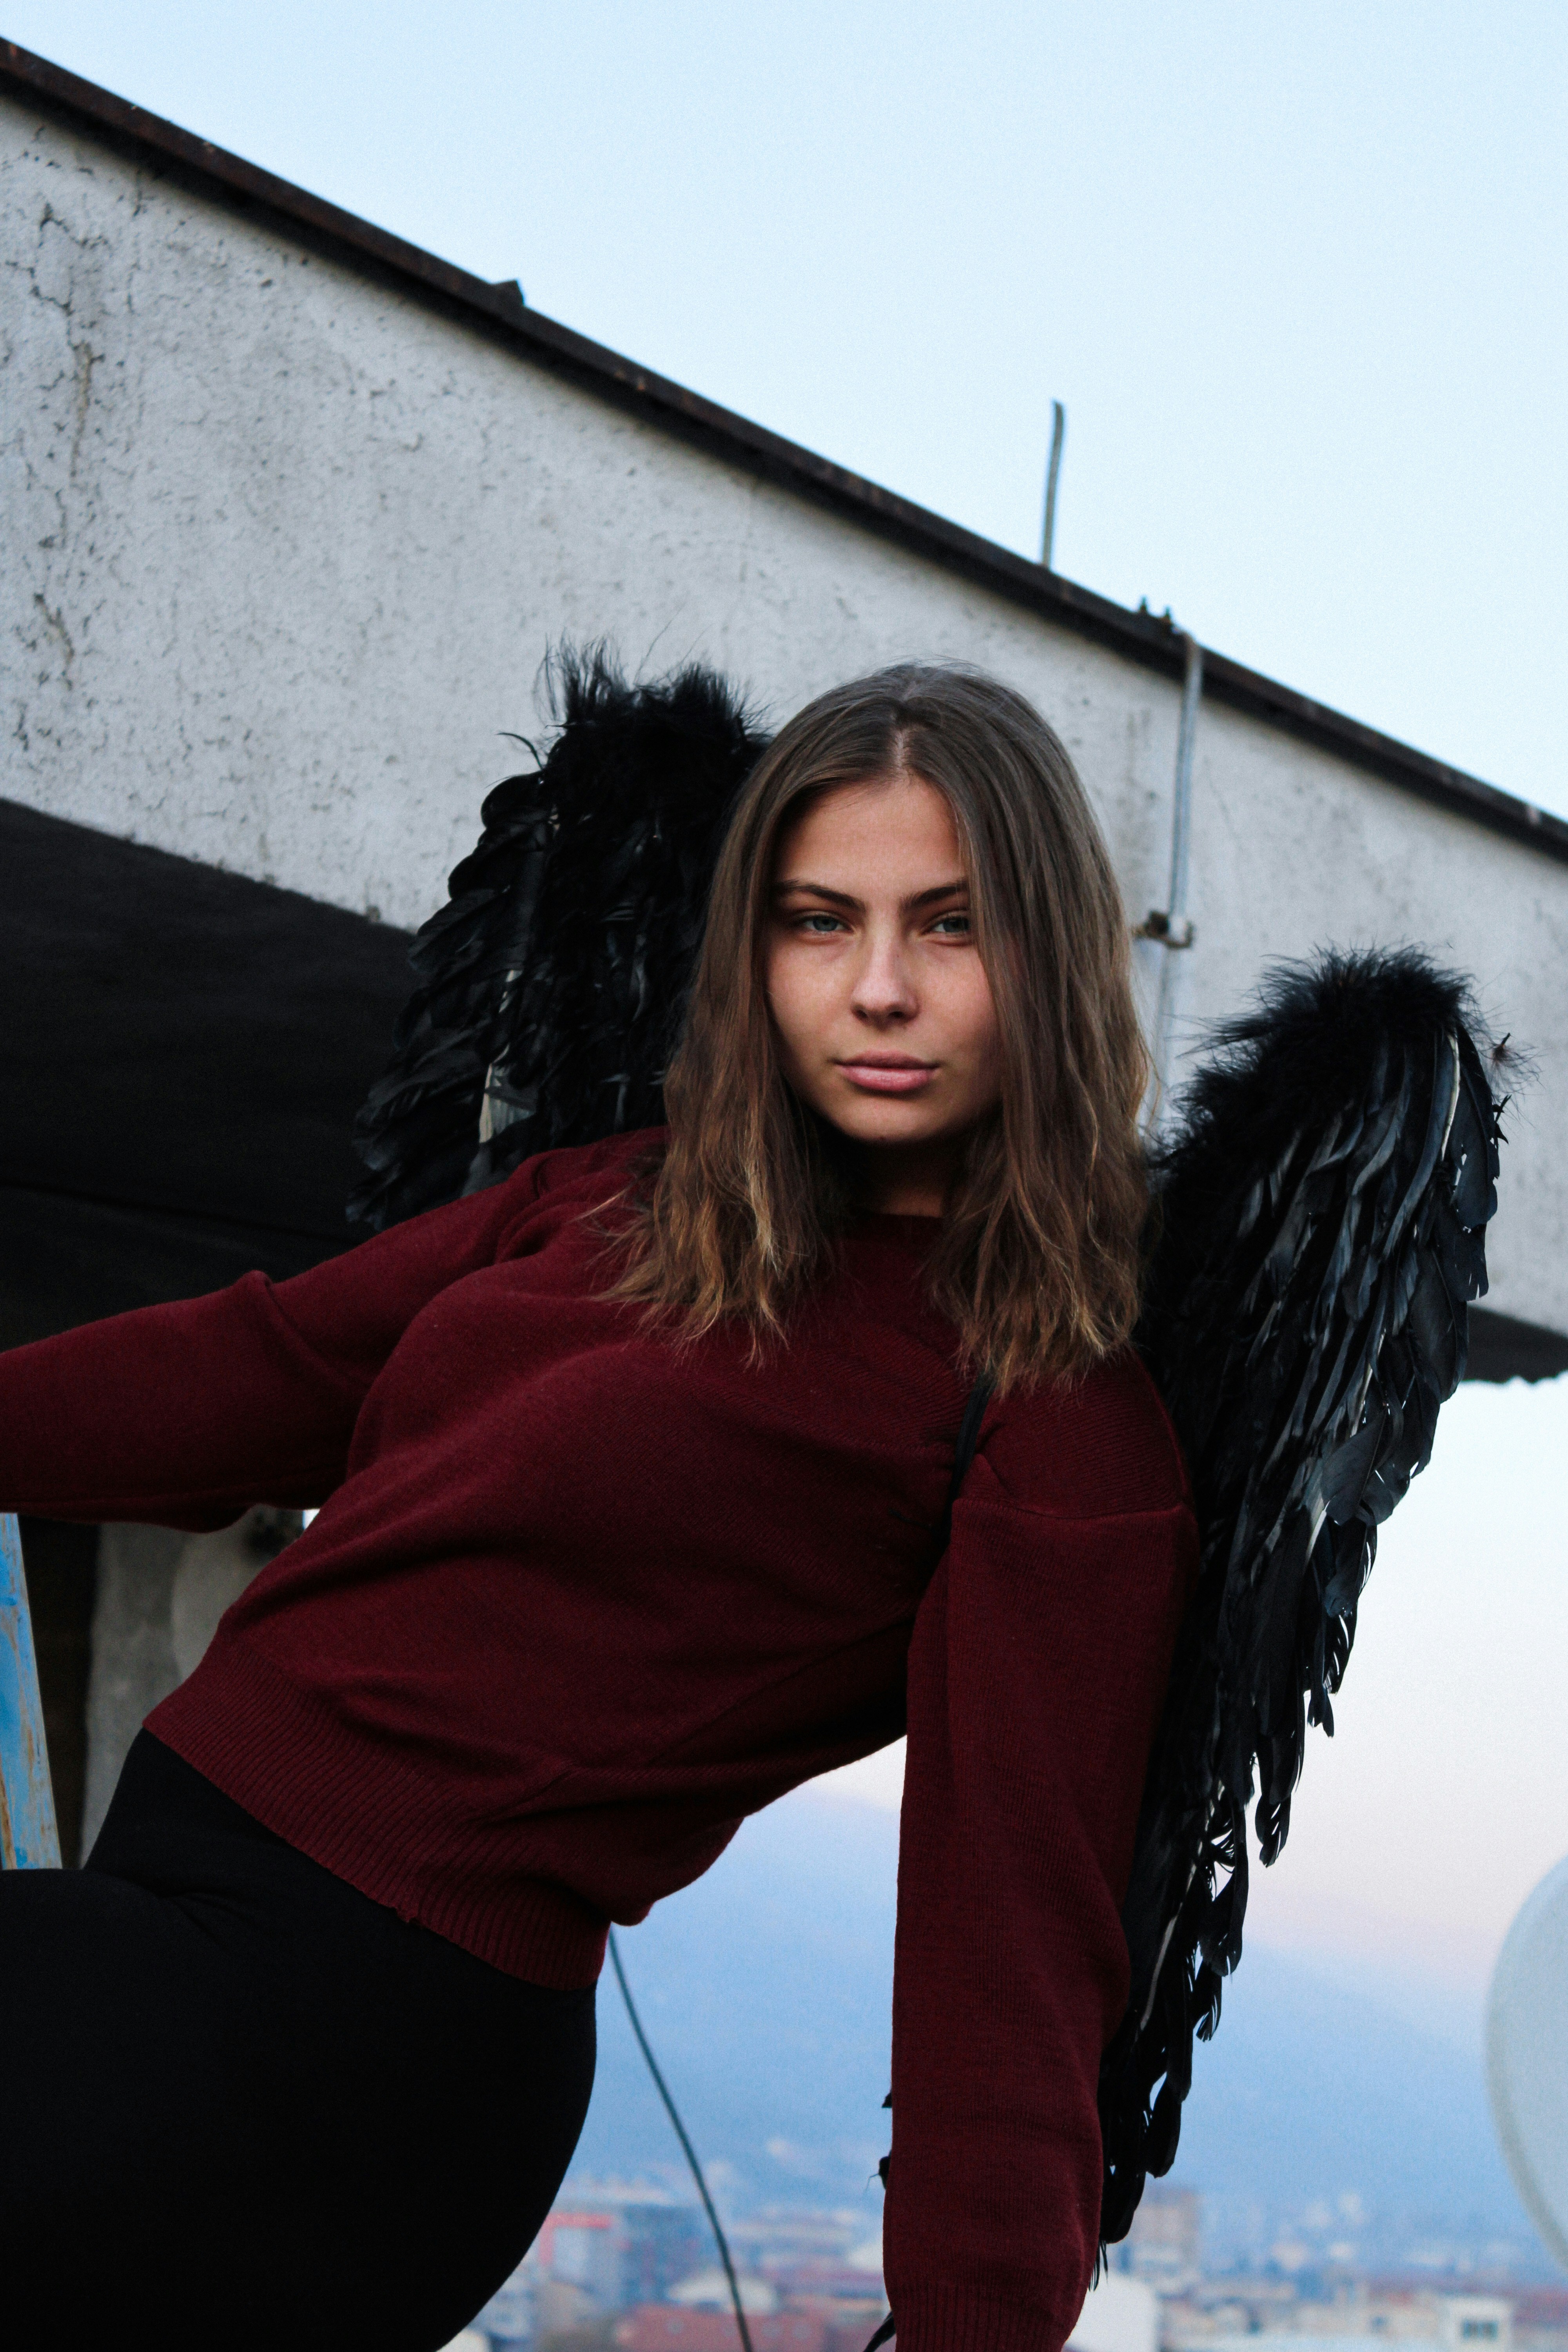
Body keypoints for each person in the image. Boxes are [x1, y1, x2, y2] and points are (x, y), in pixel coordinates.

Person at [0, 666, 1198, 2351]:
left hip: (358, 2051)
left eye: (948, 927)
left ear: (1051, 963)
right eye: (815, 921)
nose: (875, 990)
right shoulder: (610, 1203)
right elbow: (245, 1372)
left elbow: (1005, 1948)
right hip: (175, 1929)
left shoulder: (1047, 1416)